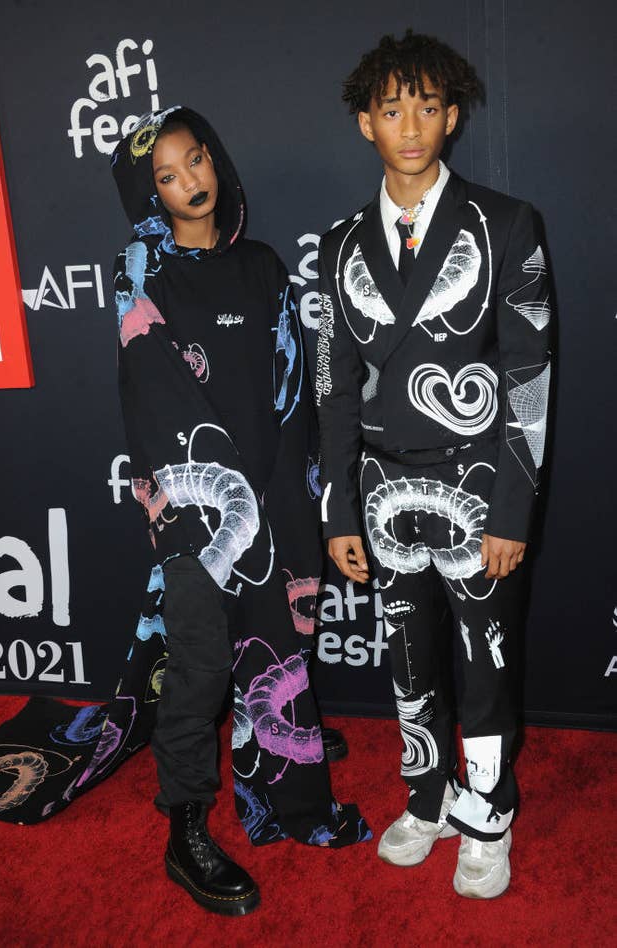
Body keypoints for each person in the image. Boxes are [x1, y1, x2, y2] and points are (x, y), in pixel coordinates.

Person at [110, 106, 370, 917]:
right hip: (196, 510)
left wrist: (291, 496)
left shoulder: (263, 267)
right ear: (147, 193)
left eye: (197, 160)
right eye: (167, 173)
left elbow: (289, 394)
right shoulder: (140, 270)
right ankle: (184, 827)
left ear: (217, 160)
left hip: (273, 496)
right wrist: (222, 501)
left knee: (278, 645)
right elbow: (151, 393)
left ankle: (283, 774)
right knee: (199, 668)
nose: (190, 181)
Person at [315, 31, 551, 899]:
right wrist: (339, 509)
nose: (409, 124)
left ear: (451, 117)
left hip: (480, 482)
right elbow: (334, 390)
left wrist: (512, 514)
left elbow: (528, 380)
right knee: (408, 661)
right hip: (381, 494)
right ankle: (429, 794)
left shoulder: (506, 223)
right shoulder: (339, 246)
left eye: (425, 105)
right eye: (390, 107)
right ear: (363, 124)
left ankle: (489, 814)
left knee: (485, 664)